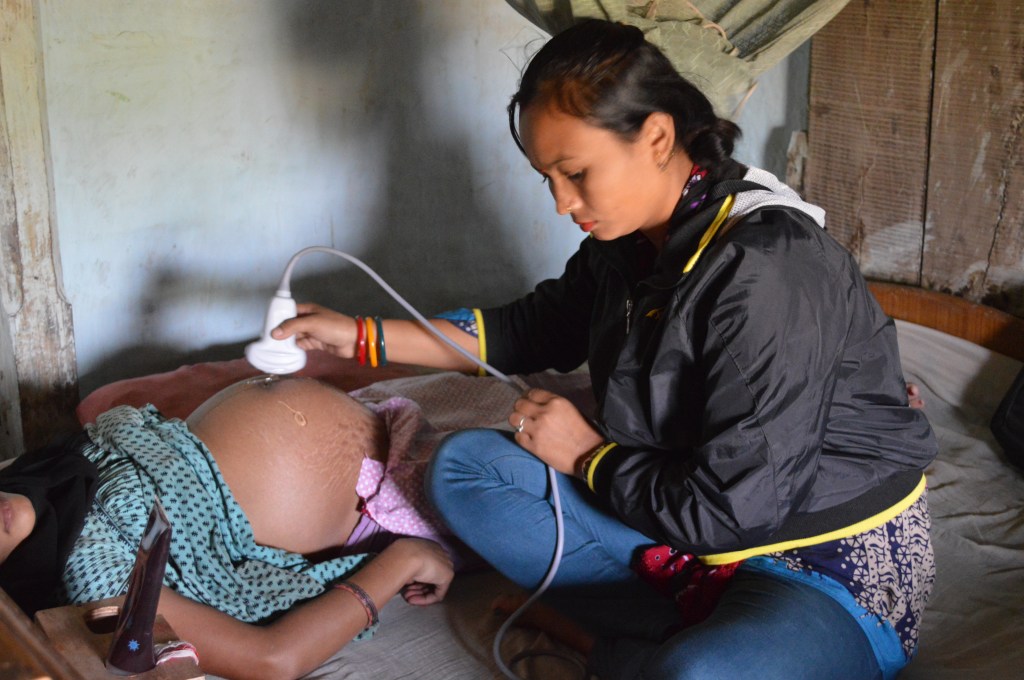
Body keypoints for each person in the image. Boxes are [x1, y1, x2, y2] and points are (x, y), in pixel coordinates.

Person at [271, 19, 936, 680]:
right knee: (465, 469)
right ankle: (681, 617)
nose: (563, 203)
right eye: (547, 179)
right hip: (678, 538)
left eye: (576, 173)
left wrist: (587, 457)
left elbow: (736, 510)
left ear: (655, 136)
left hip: (818, 559)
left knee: (698, 674)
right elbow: (523, 330)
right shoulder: (627, 247)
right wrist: (357, 336)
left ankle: (636, 644)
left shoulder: (765, 269)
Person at [0, 375, 456, 680]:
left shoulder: (29, 481)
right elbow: (273, 658)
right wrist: (405, 560)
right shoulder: (92, 585)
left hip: (381, 418)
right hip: (390, 503)